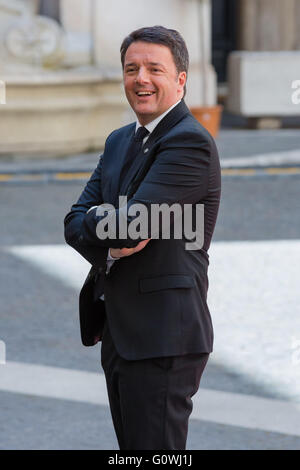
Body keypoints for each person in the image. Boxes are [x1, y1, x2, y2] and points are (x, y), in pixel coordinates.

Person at [64, 25, 221, 450]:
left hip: (163, 334)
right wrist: (109, 228)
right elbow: (72, 222)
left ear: (181, 79)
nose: (141, 79)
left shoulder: (189, 142)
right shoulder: (120, 141)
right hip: (121, 330)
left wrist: (106, 221)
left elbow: (136, 223)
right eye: (132, 69)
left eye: (155, 68)